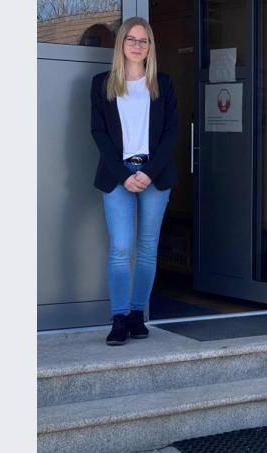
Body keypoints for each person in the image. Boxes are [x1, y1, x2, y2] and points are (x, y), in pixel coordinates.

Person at [90, 17, 179, 346]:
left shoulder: (163, 84)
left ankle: (138, 314)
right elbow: (98, 133)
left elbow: (172, 133)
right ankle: (119, 318)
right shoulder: (102, 84)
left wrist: (148, 173)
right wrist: (125, 175)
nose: (137, 45)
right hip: (117, 176)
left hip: (155, 173)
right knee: (120, 248)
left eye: (144, 40)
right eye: (131, 39)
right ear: (121, 44)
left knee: (146, 249)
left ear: (150, 47)